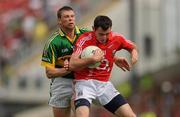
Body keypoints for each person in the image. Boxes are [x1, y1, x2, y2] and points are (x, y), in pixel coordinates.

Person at [69, 15, 138, 117]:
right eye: (101, 34)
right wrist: (92, 59)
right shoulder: (84, 40)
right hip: (84, 83)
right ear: (93, 29)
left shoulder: (116, 38)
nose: (104, 37)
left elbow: (133, 47)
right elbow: (72, 64)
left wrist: (134, 56)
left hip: (104, 85)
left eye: (107, 34)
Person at [41, 6, 89, 117]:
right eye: (66, 17)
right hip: (61, 83)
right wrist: (69, 68)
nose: (70, 19)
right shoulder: (53, 42)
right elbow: (49, 73)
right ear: (59, 21)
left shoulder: (86, 35)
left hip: (80, 81)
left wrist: (115, 58)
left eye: (72, 16)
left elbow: (103, 46)